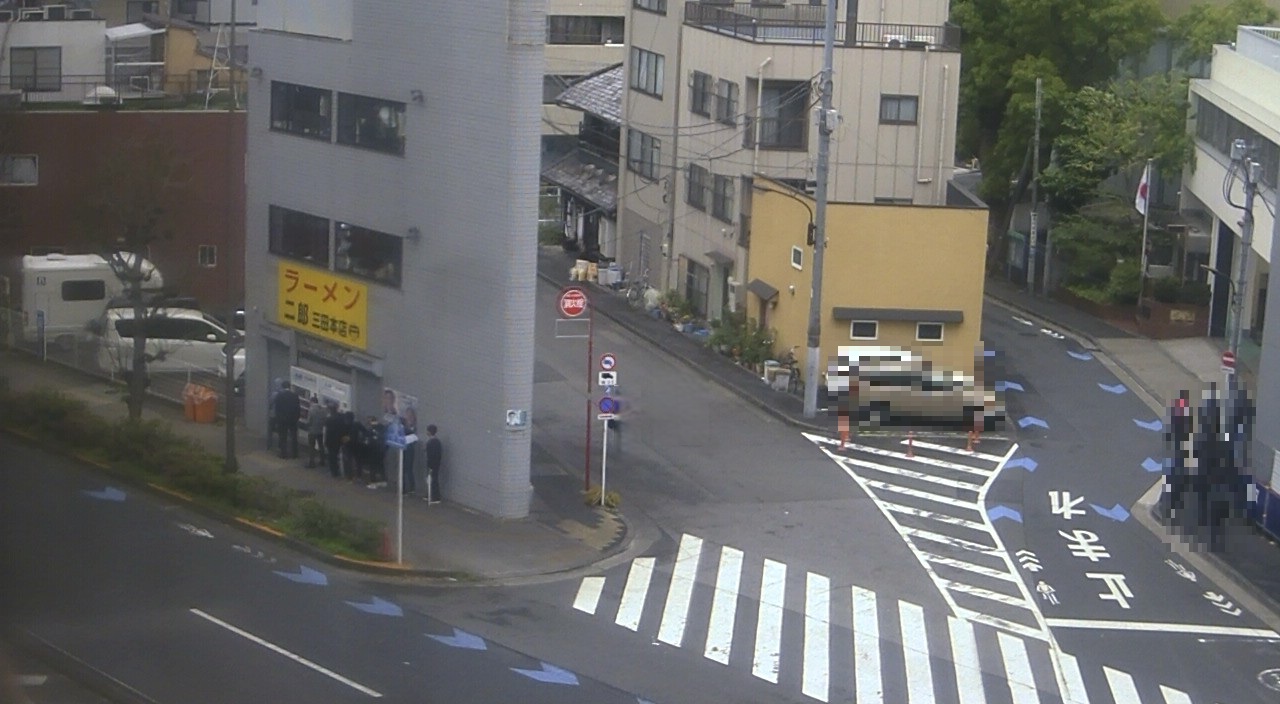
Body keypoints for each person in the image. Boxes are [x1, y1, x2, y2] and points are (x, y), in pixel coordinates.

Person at [273, 381, 302, 459]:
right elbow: (298, 409)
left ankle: (284, 454)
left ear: (282, 387)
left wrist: (278, 418)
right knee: (294, 437)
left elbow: (277, 409)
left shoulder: (279, 396)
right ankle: (295, 454)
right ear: (289, 387)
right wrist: (296, 418)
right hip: (293, 419)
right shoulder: (295, 396)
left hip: (282, 420)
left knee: (283, 437)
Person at [305, 395, 328, 468]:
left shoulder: (311, 410)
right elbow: (325, 421)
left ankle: (311, 463)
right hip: (320, 431)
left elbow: (309, 421)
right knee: (321, 446)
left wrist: (307, 425)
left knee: (311, 447)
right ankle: (322, 461)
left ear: (312, 401)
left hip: (312, 431)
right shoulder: (323, 410)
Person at [323, 403, 345, 478]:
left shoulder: (329, 419)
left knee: (331, 457)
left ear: (330, 410)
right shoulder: (341, 417)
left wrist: (325, 441)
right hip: (339, 439)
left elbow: (327, 431)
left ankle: (334, 472)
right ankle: (338, 470)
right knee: (336, 455)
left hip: (331, 440)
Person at [400, 405, 418, 495]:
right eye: (407, 415)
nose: (409, 417)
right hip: (405, 450)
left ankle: (409, 488)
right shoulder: (404, 426)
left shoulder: (412, 428)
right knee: (404, 469)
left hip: (409, 450)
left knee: (408, 469)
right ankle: (405, 488)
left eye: (410, 415)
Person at [424, 424, 442, 504]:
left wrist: (431, 464)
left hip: (433, 464)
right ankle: (431, 494)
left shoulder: (433, 442)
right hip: (434, 463)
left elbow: (432, 454)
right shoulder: (436, 441)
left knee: (433, 479)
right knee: (432, 479)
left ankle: (435, 497)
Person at [266, 377, 283, 450]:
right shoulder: (283, 393)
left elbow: (270, 403)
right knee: (280, 431)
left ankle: (269, 445)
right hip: (280, 415)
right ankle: (280, 445)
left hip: (273, 414)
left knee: (270, 430)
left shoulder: (274, 394)